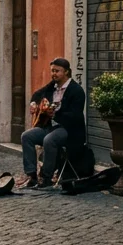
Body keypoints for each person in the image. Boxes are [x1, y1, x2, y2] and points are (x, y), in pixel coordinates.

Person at [19, 58, 86, 189]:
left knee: (49, 140)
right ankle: (31, 175)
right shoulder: (52, 86)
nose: (54, 74)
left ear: (66, 72)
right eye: (52, 71)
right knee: (26, 136)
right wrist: (33, 103)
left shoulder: (76, 90)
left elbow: (75, 115)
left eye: (57, 71)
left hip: (69, 130)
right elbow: (37, 94)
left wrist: (55, 114)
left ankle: (46, 177)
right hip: (50, 127)